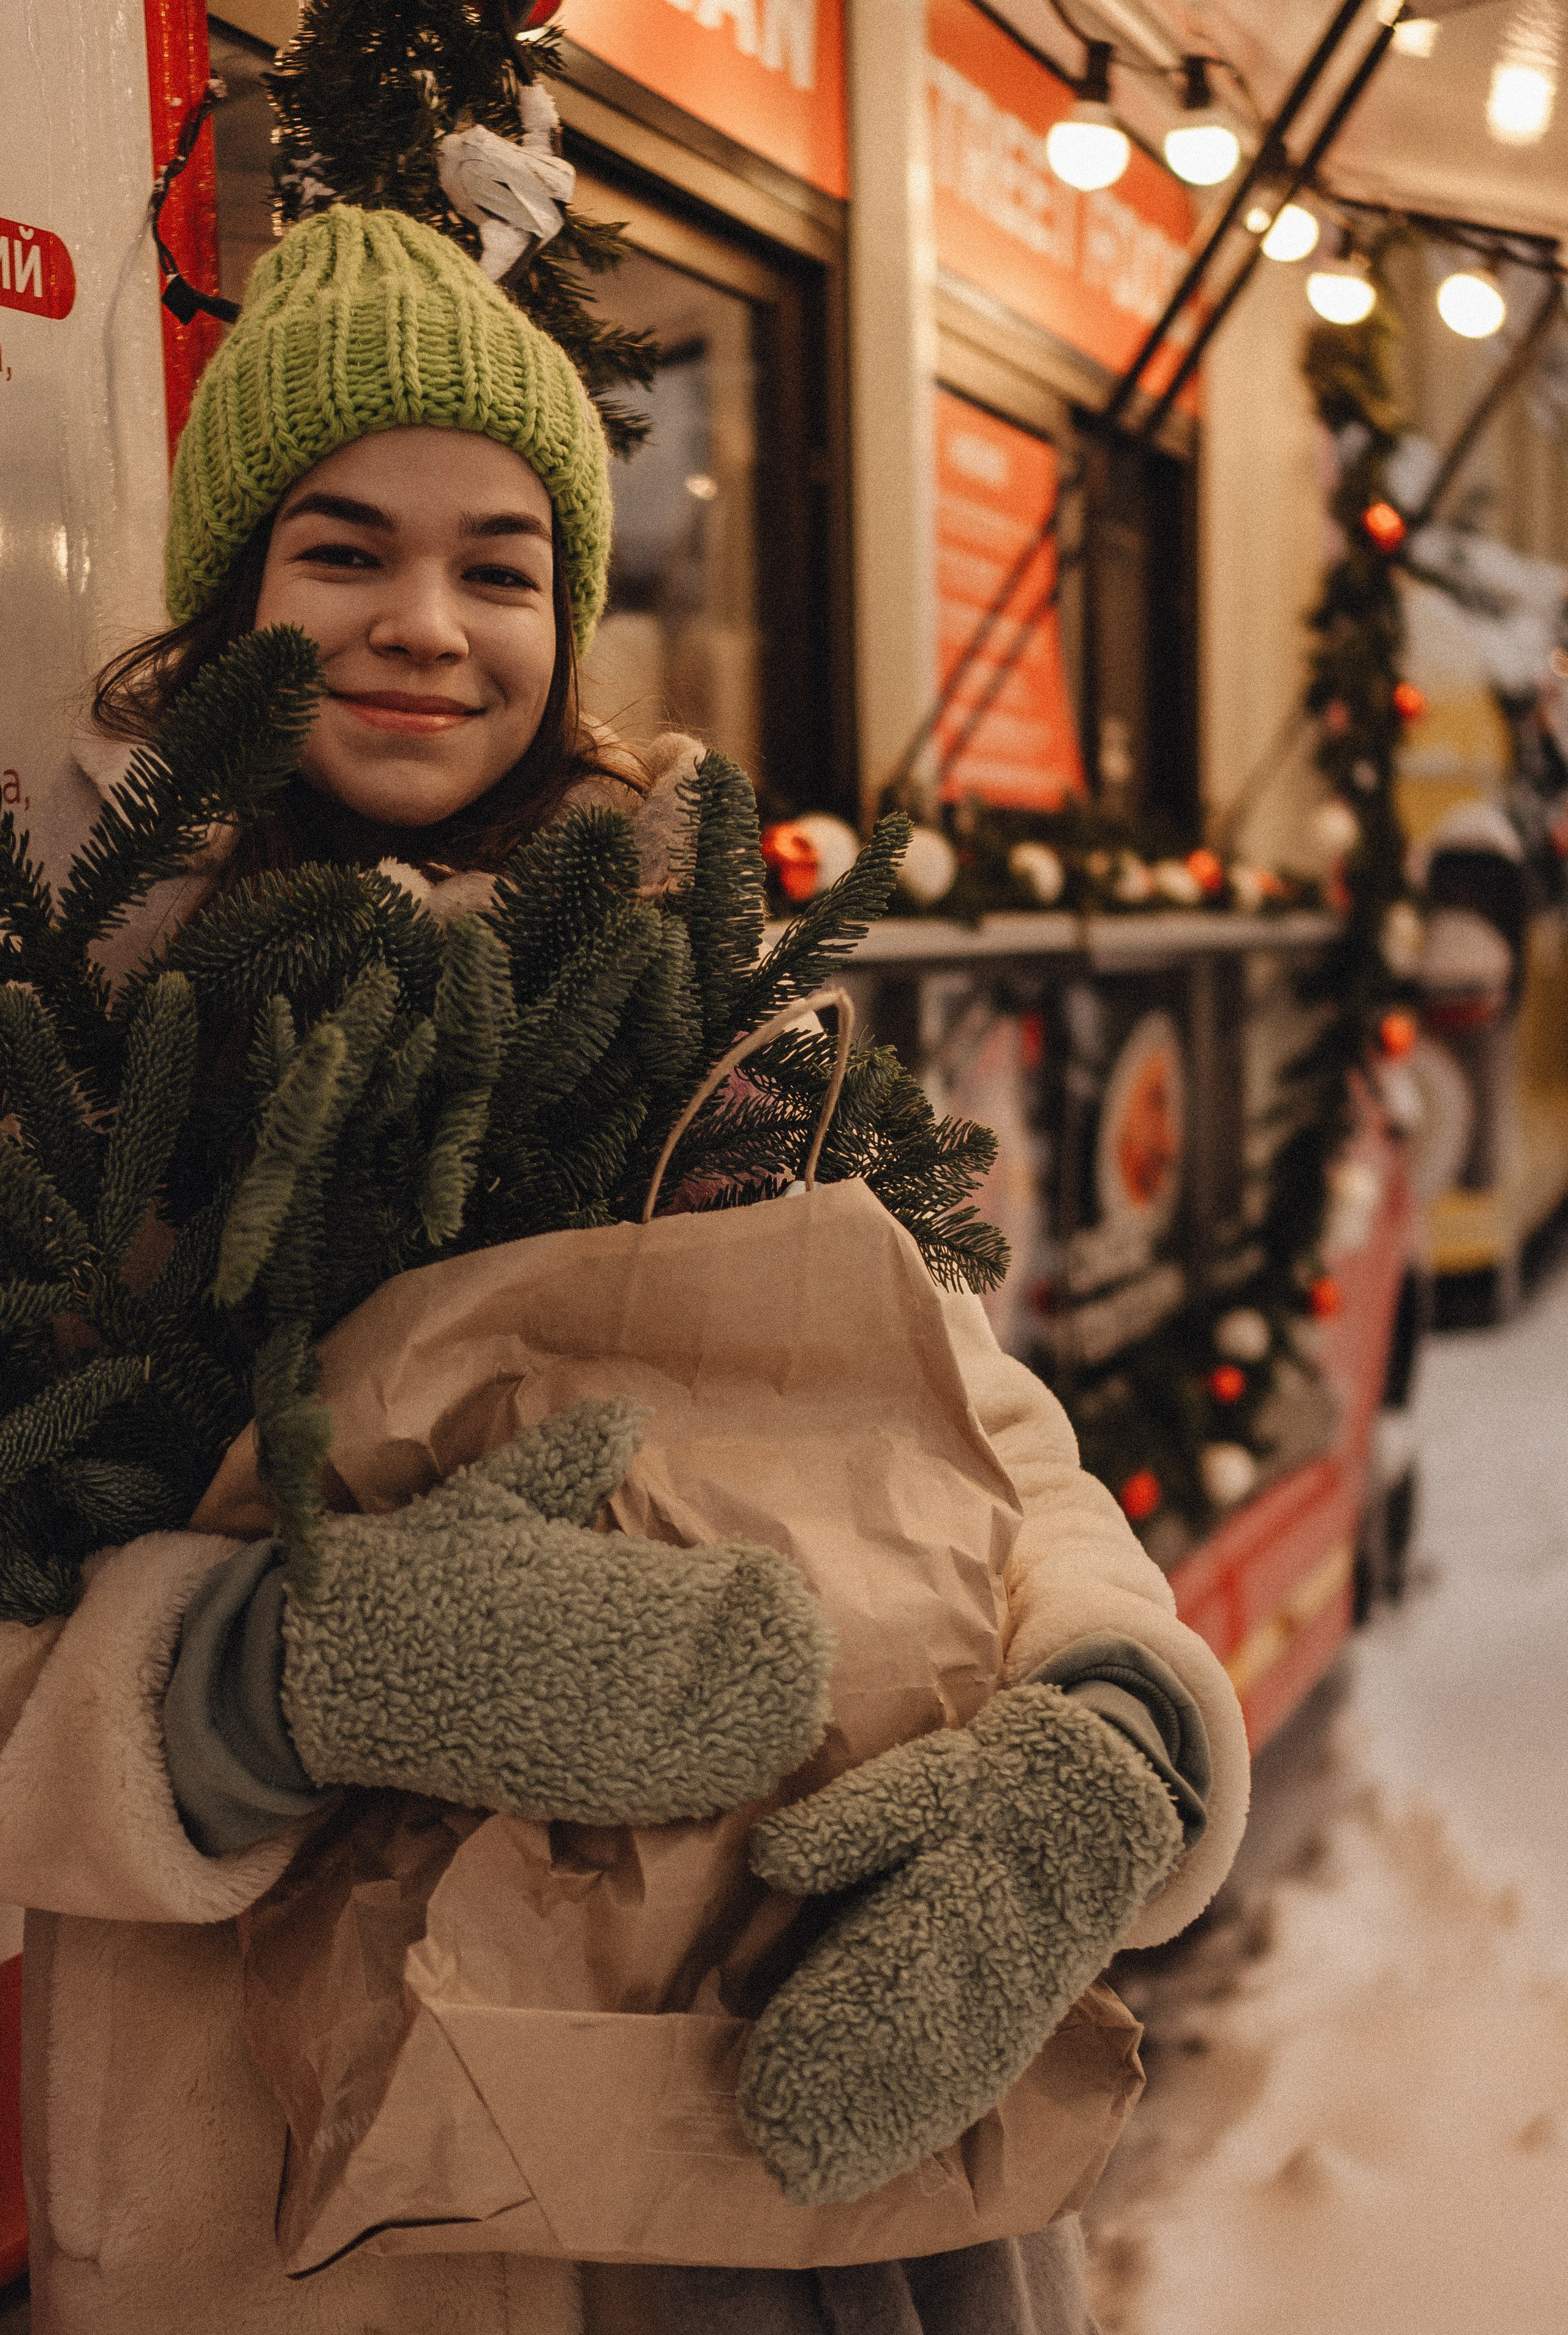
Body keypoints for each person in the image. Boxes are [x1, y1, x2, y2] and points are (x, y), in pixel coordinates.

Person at [0, 204, 1249, 2335]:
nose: (425, 626)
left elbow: (975, 1444)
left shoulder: (707, 1005)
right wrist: (281, 1677)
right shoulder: (84, 1044)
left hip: (784, 2167)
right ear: (229, 598)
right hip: (290, 2222)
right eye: (342, 550)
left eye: (502, 570)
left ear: (570, 618)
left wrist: (1115, 1751)